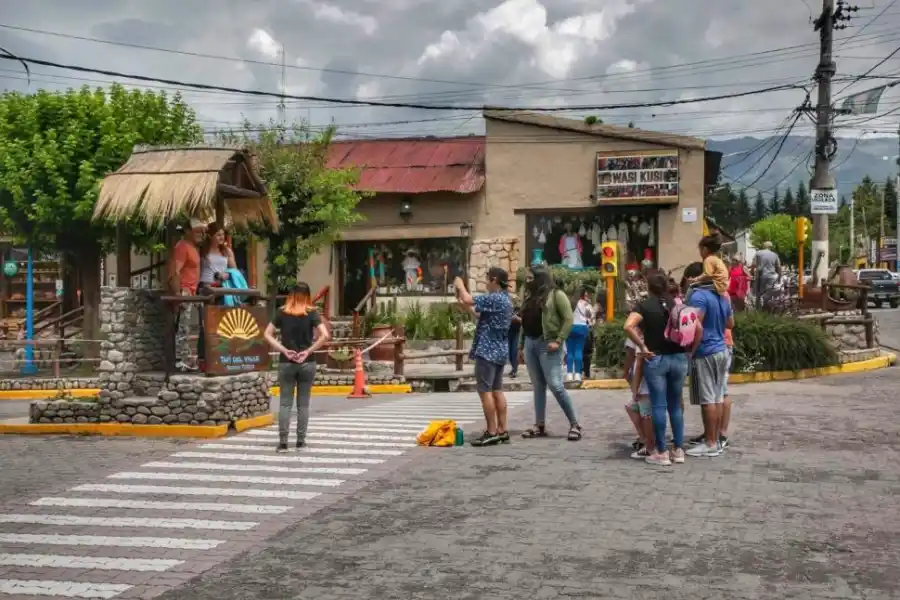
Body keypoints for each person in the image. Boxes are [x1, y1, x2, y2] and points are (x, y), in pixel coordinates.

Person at [623, 271, 688, 466]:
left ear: (649, 288)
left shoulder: (644, 306)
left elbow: (628, 326)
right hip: (678, 358)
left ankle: (661, 451)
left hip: (656, 358)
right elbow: (697, 328)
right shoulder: (677, 304)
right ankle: (678, 449)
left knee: (658, 406)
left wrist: (642, 347)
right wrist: (689, 348)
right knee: (675, 406)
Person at [263, 282, 330, 453]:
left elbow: (266, 334)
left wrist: (284, 350)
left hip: (287, 362)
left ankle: (283, 443)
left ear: (291, 294)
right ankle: (300, 442)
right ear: (308, 295)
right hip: (307, 362)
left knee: (285, 404)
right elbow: (325, 335)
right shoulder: (312, 313)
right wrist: (308, 351)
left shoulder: (281, 311)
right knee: (303, 405)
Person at [519, 265, 583, 441]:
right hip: (530, 343)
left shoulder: (556, 295)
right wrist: (521, 346)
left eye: (531, 278)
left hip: (548, 344)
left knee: (555, 385)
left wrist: (559, 340)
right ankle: (539, 425)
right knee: (538, 386)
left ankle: (575, 424)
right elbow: (524, 321)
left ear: (540, 278)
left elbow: (568, 319)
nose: (528, 281)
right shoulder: (529, 296)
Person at [454, 268, 513, 447]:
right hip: (500, 350)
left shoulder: (495, 297)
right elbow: (479, 313)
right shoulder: (504, 300)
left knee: (485, 391)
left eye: (487, 279)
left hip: (487, 350)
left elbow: (468, 298)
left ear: (494, 280)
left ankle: (492, 431)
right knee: (497, 391)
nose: (486, 283)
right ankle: (502, 430)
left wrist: (460, 284)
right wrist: (467, 307)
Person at [683, 262, 734, 458]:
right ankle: (716, 440)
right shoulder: (722, 295)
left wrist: (691, 350)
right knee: (718, 397)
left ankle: (710, 443)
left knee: (707, 399)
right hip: (722, 349)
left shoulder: (698, 295)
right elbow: (730, 323)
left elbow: (695, 326)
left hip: (705, 351)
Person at [168, 219, 205, 373]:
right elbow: (174, 272)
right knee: (184, 327)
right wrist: (179, 295)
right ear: (188, 231)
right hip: (185, 291)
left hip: (193, 292)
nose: (200, 234)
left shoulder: (193, 247)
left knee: (193, 327)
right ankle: (181, 360)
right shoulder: (182, 247)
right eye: (197, 231)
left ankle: (189, 360)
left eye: (202, 231)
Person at [197, 224, 238, 365]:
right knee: (206, 323)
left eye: (222, 234)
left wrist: (227, 274)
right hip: (206, 287)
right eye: (218, 235)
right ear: (211, 236)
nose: (221, 237)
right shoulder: (203, 250)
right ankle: (203, 358)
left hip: (222, 288)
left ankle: (223, 356)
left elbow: (235, 271)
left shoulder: (226, 251)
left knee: (223, 323)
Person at [623, 334, 654, 459]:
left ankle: (650, 445)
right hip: (644, 380)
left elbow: (638, 362)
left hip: (644, 383)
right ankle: (645, 439)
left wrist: (635, 388)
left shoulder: (637, 334)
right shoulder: (636, 333)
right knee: (632, 407)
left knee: (646, 413)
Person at [565, 287, 594, 382]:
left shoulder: (570, 303)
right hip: (582, 328)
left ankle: (569, 374)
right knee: (578, 351)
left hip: (570, 327)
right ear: (584, 294)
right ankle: (577, 374)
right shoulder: (587, 304)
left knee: (569, 351)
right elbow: (591, 318)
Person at [753, 241, 782, 308]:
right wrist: (779, 277)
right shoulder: (775, 255)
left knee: (759, 293)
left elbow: (753, 264)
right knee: (769, 292)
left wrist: (753, 273)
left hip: (761, 275)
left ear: (764, 246)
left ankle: (758, 309)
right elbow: (779, 267)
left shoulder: (758, 253)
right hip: (772, 276)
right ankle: (766, 307)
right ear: (770, 247)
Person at [508, 293, 522, 378]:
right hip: (508, 332)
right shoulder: (508, 309)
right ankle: (513, 368)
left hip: (517, 332)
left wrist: (516, 318)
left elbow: (522, 320)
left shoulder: (519, 310)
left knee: (514, 351)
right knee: (509, 352)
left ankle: (514, 370)